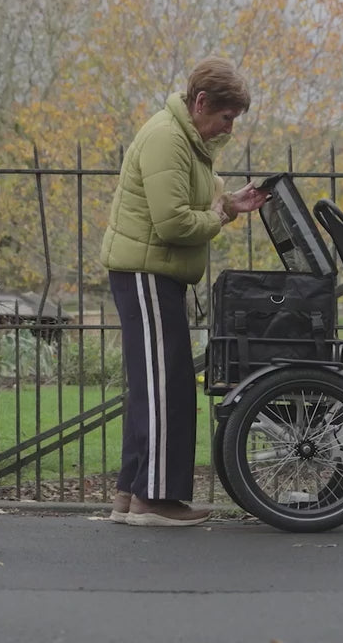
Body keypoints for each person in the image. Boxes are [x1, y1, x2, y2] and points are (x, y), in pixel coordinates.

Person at [100, 57, 267, 527]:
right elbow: (173, 222)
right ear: (200, 103)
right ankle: (155, 501)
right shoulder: (167, 139)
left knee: (155, 384)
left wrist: (228, 204)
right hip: (146, 272)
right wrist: (218, 217)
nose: (228, 128)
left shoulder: (189, 142)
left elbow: (200, 200)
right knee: (163, 386)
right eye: (226, 117)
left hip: (155, 273)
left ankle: (131, 495)